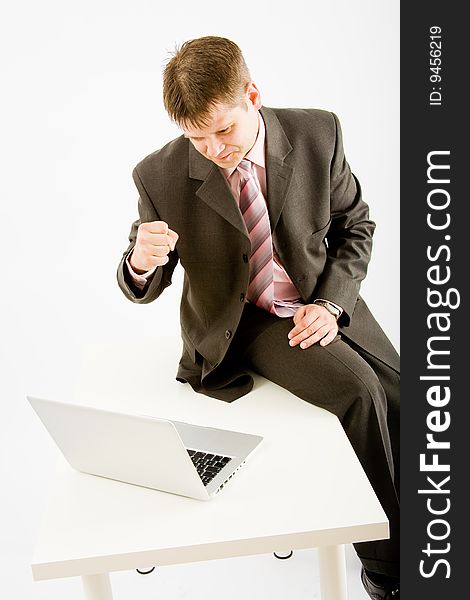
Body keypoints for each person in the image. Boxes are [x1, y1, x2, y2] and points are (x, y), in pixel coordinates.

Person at [117, 36, 400, 599]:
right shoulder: (159, 175)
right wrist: (139, 264)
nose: (214, 149)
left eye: (224, 130)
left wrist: (332, 304)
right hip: (244, 321)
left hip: (321, 297)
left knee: (407, 394)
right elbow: (144, 284)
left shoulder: (319, 133)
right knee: (359, 390)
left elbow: (355, 228)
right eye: (196, 137)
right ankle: (387, 563)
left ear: (252, 95)